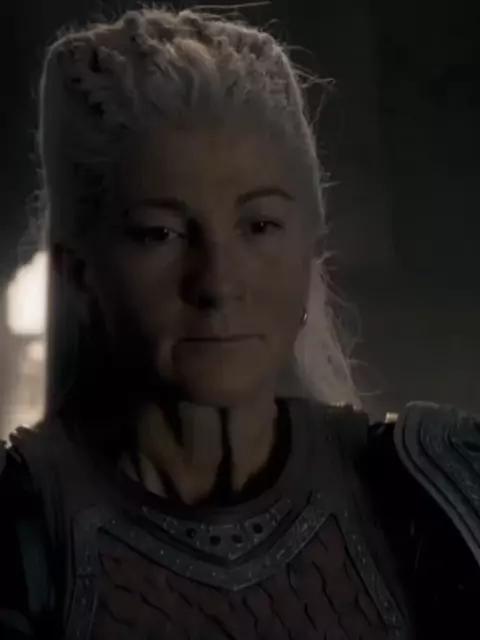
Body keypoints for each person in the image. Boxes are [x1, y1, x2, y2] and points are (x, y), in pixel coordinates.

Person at [0, 6, 479, 639]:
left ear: (312, 246)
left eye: (259, 226)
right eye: (160, 233)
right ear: (80, 270)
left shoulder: (433, 501)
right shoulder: (21, 537)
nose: (218, 284)